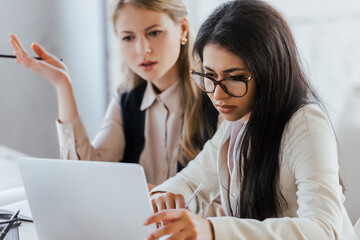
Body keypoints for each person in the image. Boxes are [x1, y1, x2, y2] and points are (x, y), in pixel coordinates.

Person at [143, 0, 358, 239]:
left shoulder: (306, 126)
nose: (217, 94)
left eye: (234, 77)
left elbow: (323, 230)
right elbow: (191, 180)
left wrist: (213, 230)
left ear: (269, 72)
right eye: (210, 75)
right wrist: (164, 196)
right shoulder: (235, 122)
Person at [9, 0, 219, 188]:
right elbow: (86, 176)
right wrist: (62, 85)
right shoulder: (127, 99)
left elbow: (231, 204)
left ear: (182, 29)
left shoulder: (217, 98)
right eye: (128, 37)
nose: (142, 49)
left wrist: (162, 199)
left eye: (154, 33)